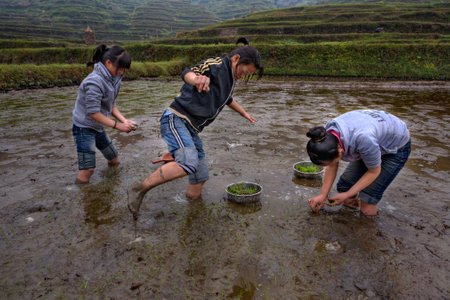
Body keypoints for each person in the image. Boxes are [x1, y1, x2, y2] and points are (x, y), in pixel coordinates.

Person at [127, 44, 264, 219]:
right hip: (176, 119)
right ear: (236, 59)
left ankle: (194, 214)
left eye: (246, 75)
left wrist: (244, 113)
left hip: (191, 129)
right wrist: (196, 79)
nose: (242, 75)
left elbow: (227, 99)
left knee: (200, 176)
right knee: (188, 162)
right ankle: (139, 188)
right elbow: (189, 71)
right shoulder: (217, 64)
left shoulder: (230, 79)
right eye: (243, 71)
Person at [306, 109, 411, 216]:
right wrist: (323, 195)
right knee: (345, 186)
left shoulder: (363, 138)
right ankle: (352, 218)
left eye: (327, 163)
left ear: (341, 151)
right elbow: (332, 164)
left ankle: (367, 227)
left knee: (368, 200)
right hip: (373, 138)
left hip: (396, 147)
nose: (328, 166)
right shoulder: (324, 135)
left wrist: (347, 195)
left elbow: (374, 171)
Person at [72, 44, 136, 183]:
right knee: (87, 169)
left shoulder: (114, 79)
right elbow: (93, 113)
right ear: (108, 63)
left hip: (99, 126)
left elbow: (111, 105)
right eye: (120, 68)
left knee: (114, 159)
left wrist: (124, 121)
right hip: (84, 128)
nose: (122, 72)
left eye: (124, 69)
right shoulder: (94, 81)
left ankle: (111, 183)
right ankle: (83, 195)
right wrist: (118, 126)